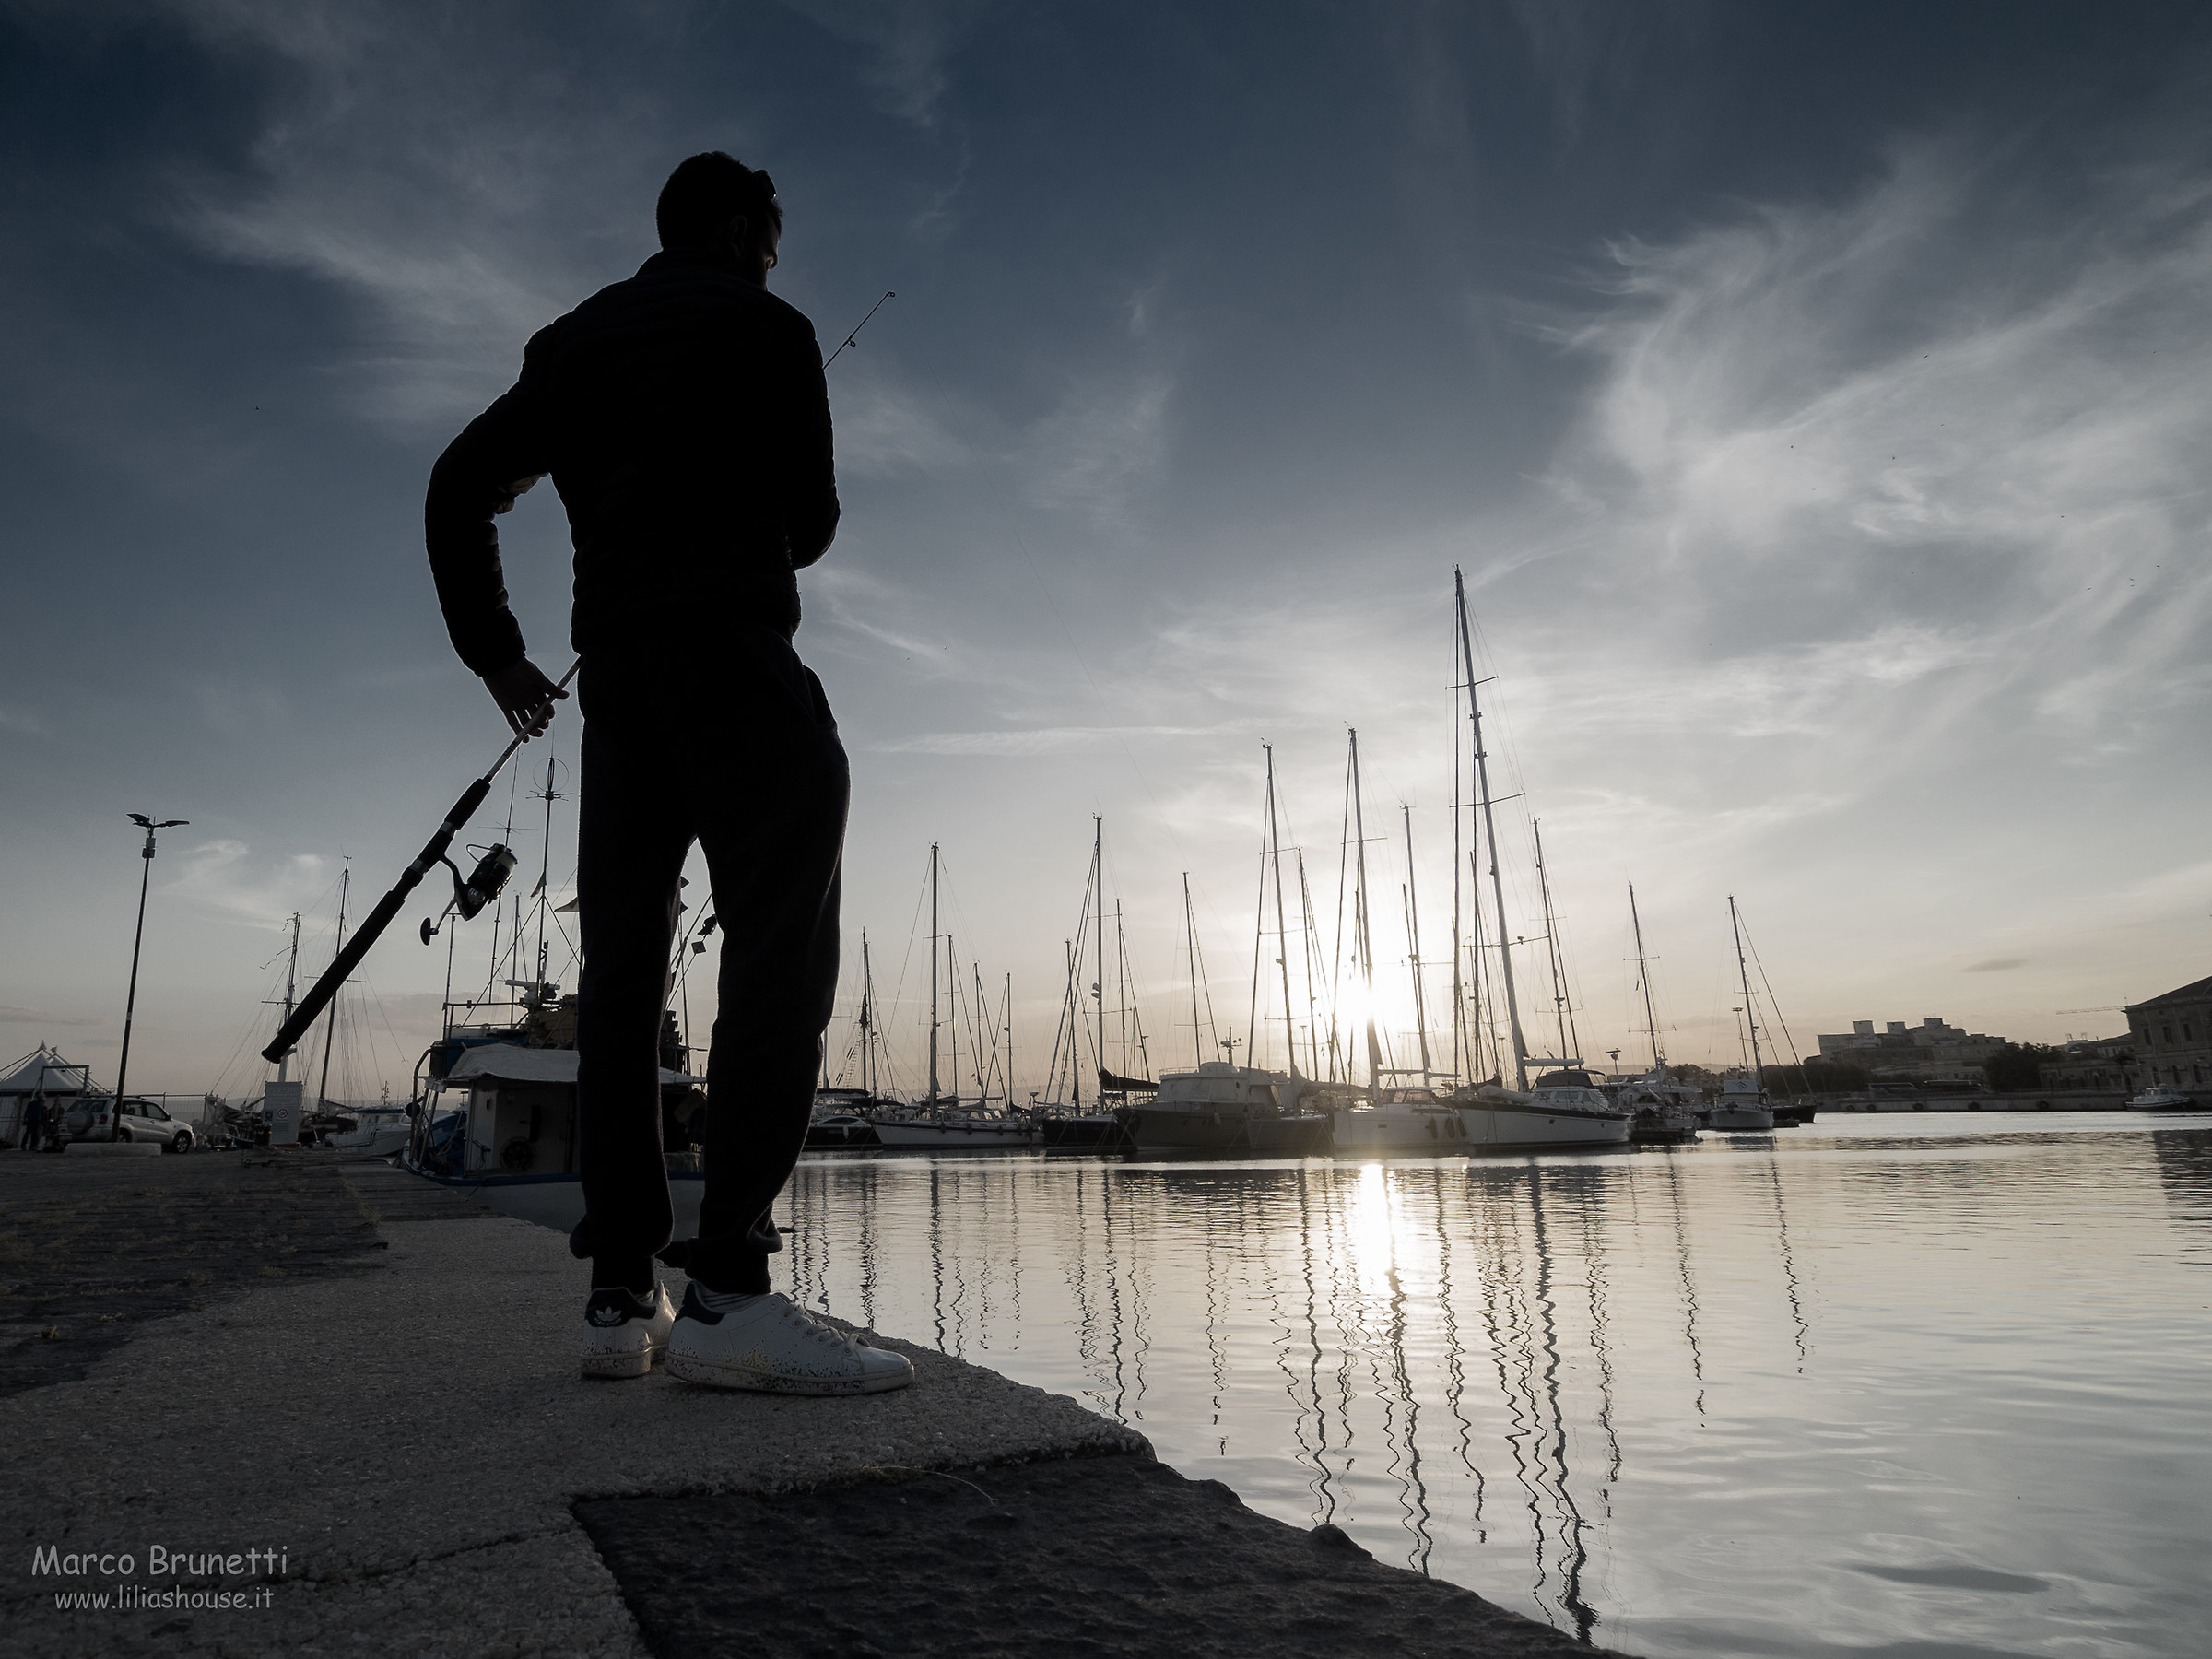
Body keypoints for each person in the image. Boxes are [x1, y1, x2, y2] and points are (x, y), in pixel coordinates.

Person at [425, 152, 911, 1395]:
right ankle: (730, 1292)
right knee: (777, 952)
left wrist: (497, 653)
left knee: (626, 977)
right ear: (747, 227)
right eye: (771, 239)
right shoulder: (774, 328)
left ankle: (616, 1291)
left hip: (618, 692)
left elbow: (457, 488)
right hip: (738, 665)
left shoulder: (574, 342)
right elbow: (810, 524)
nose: (772, 259)